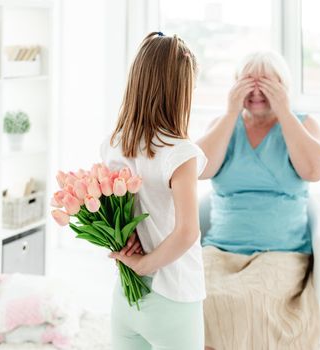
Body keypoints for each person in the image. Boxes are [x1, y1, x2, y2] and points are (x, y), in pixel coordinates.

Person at [196, 51, 320, 350]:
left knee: (249, 301)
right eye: (248, 83)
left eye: (266, 84)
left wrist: (284, 112)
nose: (256, 92)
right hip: (221, 249)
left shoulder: (303, 124)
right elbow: (199, 168)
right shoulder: (222, 124)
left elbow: (315, 170)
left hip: (281, 253)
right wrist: (231, 114)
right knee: (197, 296)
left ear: (283, 87)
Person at [100, 32, 207, 350]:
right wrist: (147, 264)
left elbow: (112, 216)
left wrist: (134, 262)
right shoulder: (180, 153)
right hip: (173, 293)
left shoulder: (113, 144)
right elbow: (187, 232)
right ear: (181, 92)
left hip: (126, 296)